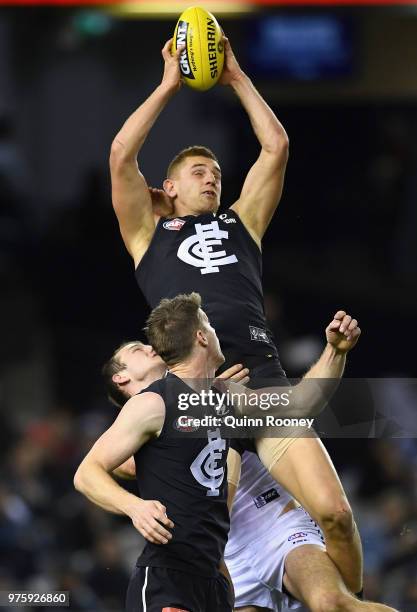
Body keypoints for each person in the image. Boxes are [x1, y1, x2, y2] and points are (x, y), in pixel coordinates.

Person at [109, 36, 364, 604]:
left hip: (264, 386)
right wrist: (170, 84)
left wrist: (236, 76)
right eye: (200, 172)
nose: (212, 179)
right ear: (168, 188)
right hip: (200, 398)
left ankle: (338, 602)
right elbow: (121, 155)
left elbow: (276, 147)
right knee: (213, 547)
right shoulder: (148, 235)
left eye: (217, 173)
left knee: (336, 514)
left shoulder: (241, 224)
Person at [74, 294, 366, 612]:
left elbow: (298, 404)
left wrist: (335, 352)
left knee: (332, 602)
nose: (149, 347)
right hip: (213, 559)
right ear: (122, 378)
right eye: (137, 350)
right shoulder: (144, 415)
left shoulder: (221, 392)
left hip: (268, 527)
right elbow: (105, 469)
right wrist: (134, 506)